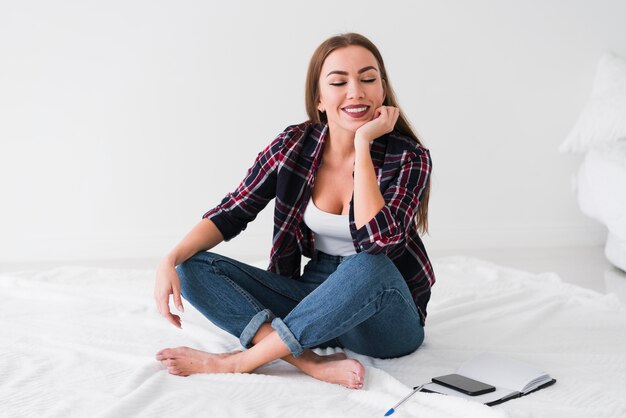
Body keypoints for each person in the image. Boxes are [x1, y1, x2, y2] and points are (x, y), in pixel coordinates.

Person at [154, 32, 434, 390]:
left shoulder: (409, 156)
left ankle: (242, 362)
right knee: (190, 267)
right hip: (316, 292)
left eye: (368, 79)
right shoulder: (293, 145)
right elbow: (233, 211)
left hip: (385, 316)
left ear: (382, 90)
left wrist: (363, 145)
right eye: (339, 82)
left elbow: (378, 242)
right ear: (319, 98)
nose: (356, 92)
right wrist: (170, 258)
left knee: (368, 263)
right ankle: (308, 362)